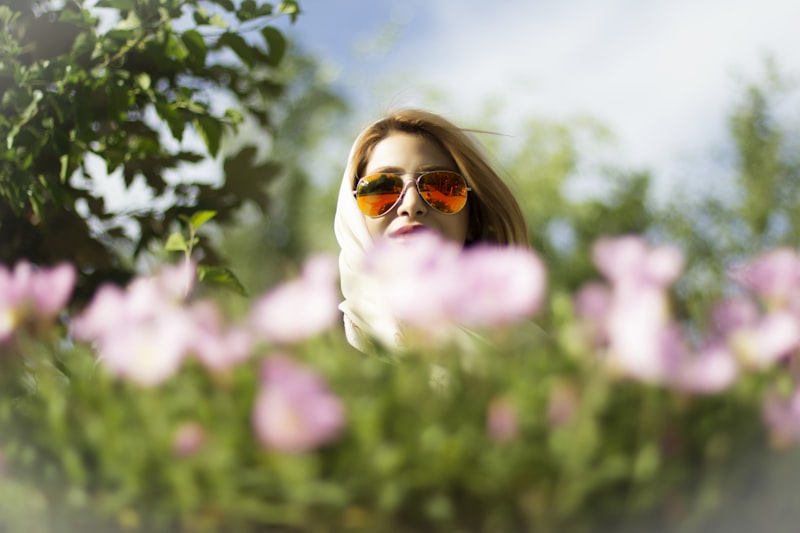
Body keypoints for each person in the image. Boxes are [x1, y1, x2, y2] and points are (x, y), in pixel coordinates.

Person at [334, 108, 529, 352]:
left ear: (473, 219)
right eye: (382, 189)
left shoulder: (532, 351)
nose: (411, 205)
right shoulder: (318, 346)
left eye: (442, 188)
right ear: (352, 215)